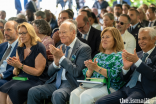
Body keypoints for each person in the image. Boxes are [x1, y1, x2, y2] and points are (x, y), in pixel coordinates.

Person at [27, 19, 91, 104]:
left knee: (58, 94)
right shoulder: (61, 46)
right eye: (60, 33)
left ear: (73, 33)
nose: (61, 35)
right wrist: (55, 63)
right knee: (33, 91)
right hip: (55, 82)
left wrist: (62, 58)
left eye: (64, 32)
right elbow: (49, 73)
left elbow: (76, 72)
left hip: (71, 83)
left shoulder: (84, 48)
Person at [95, 27, 156, 104]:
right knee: (100, 102)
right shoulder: (138, 54)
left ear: (154, 39)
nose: (140, 42)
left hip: (144, 90)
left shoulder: (137, 57)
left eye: (144, 38)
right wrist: (126, 68)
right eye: (139, 39)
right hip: (126, 88)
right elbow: (124, 78)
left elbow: (153, 75)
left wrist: (137, 61)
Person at [70, 27, 125, 104]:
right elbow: (87, 74)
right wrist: (89, 71)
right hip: (94, 84)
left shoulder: (120, 56)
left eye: (107, 37)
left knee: (86, 96)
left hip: (110, 86)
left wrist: (97, 68)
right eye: (102, 37)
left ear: (116, 39)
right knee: (74, 94)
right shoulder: (98, 55)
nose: (104, 39)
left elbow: (116, 74)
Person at [0, 22, 49, 104]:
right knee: (2, 91)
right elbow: (15, 73)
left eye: (24, 33)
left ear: (30, 33)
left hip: (36, 79)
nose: (21, 36)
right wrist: (15, 66)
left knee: (12, 94)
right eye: (19, 33)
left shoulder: (39, 47)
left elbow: (38, 72)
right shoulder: (20, 47)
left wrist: (20, 65)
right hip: (22, 78)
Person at [0, 21, 18, 86]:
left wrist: (1, 75)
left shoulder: (21, 47)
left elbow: (17, 66)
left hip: (9, 78)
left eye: (8, 30)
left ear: (17, 31)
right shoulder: (2, 46)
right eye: (4, 30)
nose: (5, 33)